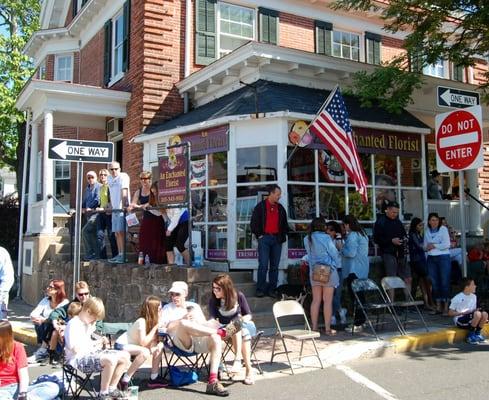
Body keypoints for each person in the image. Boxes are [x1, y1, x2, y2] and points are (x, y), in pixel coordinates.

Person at [159, 281, 242, 396]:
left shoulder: (194, 307)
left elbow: (203, 325)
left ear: (185, 293)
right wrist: (181, 318)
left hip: (198, 340)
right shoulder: (167, 308)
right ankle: (221, 332)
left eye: (177, 294)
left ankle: (213, 382)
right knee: (184, 323)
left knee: (215, 337)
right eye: (172, 294)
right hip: (181, 342)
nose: (174, 297)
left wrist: (204, 323)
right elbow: (164, 328)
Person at [64, 297, 131, 399]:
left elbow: (89, 344)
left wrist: (97, 342)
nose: (94, 321)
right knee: (110, 359)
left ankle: (112, 389)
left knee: (125, 356)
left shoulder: (87, 324)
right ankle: (103, 394)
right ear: (88, 311)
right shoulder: (73, 324)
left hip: (89, 355)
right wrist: (96, 343)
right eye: (94, 318)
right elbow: (75, 349)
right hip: (77, 359)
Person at [208, 274, 257, 385]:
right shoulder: (213, 300)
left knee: (238, 327)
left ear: (226, 288)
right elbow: (212, 319)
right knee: (231, 329)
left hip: (245, 326)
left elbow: (249, 315)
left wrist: (240, 321)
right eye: (213, 287)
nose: (215, 291)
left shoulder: (238, 296)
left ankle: (240, 363)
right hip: (226, 330)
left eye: (218, 289)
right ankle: (242, 364)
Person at [115, 296, 166, 388]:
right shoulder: (141, 321)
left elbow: (155, 341)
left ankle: (154, 378)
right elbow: (143, 343)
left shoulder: (154, 322)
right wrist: (155, 328)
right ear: (153, 310)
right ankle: (125, 380)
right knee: (145, 352)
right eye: (159, 309)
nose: (161, 311)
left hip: (135, 347)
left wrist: (159, 343)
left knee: (159, 347)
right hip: (121, 345)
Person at [0, 320, 60, 400]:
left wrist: (23, 394)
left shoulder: (17, 347)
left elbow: (23, 374)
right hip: (2, 390)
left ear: (5, 336)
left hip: (17, 387)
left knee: (52, 387)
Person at [250, 184, 289, 298]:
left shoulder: (280, 208)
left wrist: (282, 235)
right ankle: (260, 289)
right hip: (265, 239)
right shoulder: (260, 207)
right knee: (263, 265)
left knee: (274, 266)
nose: (279, 197)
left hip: (277, 239)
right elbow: (253, 223)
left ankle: (272, 289)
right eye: (278, 194)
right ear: (271, 193)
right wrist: (259, 235)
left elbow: (285, 225)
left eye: (280, 195)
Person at [303, 217, 340, 335]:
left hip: (314, 271)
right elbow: (334, 253)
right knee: (327, 301)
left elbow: (309, 255)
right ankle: (328, 329)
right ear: (323, 226)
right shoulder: (326, 238)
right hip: (328, 270)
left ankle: (314, 328)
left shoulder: (307, 238)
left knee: (316, 300)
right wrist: (334, 264)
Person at [373, 201, 411, 292]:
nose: (395, 214)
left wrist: (405, 239)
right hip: (388, 253)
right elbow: (376, 239)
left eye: (397, 212)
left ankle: (408, 302)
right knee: (391, 279)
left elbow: (403, 235)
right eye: (394, 212)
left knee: (408, 277)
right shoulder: (380, 222)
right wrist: (391, 240)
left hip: (401, 252)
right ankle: (391, 303)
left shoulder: (398, 221)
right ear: (388, 210)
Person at [28, 280, 69, 364]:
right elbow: (33, 314)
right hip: (47, 329)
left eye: (50, 287)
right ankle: (43, 349)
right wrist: (40, 319)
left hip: (57, 329)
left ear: (57, 290)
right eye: (48, 286)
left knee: (48, 323)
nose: (47, 288)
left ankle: (42, 351)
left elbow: (58, 319)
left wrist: (44, 320)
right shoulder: (46, 300)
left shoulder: (65, 303)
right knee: (39, 323)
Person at [129, 175, 166, 264]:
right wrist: (140, 206)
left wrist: (144, 206)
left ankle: (157, 260)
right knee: (144, 238)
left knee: (156, 240)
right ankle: (145, 259)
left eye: (146, 179)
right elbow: (134, 204)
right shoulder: (139, 191)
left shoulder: (155, 189)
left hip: (157, 218)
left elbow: (156, 204)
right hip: (146, 217)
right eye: (141, 179)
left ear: (150, 179)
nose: (143, 180)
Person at [341, 215, 369, 329]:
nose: (343, 228)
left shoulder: (352, 235)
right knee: (361, 296)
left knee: (356, 297)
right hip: (362, 269)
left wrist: (341, 249)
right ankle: (362, 321)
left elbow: (351, 253)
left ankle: (358, 323)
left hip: (353, 269)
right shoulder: (362, 233)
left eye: (344, 225)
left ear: (348, 224)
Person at [424, 212, 451, 315]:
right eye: (432, 220)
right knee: (434, 282)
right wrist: (427, 248)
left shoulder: (443, 229)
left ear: (438, 221)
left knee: (444, 281)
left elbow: (447, 244)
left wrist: (434, 245)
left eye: (436, 220)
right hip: (431, 258)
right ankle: (438, 305)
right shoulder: (427, 231)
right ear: (429, 221)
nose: (434, 222)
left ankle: (446, 306)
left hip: (443, 257)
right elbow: (426, 246)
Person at [448, 278, 488, 344]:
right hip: (460, 320)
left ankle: (477, 334)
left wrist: (477, 311)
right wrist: (462, 313)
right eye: (473, 284)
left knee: (485, 314)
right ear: (467, 287)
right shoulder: (457, 297)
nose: (475, 286)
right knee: (477, 314)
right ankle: (470, 336)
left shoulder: (474, 296)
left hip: (470, 318)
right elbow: (450, 313)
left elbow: (473, 311)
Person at [408, 217, 434, 310]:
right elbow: (419, 246)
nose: (421, 227)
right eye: (419, 225)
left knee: (420, 282)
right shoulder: (413, 234)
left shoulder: (419, 234)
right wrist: (427, 248)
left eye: (422, 225)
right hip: (417, 260)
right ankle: (429, 302)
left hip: (421, 259)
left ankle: (426, 303)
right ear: (415, 226)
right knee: (426, 280)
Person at [108, 161, 130, 264]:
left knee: (121, 232)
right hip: (114, 209)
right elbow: (111, 194)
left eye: (116, 169)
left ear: (120, 169)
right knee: (116, 233)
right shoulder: (109, 179)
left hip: (121, 209)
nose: (114, 171)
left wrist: (125, 206)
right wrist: (111, 206)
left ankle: (123, 255)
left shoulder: (123, 176)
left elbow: (124, 192)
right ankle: (119, 254)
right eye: (111, 169)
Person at [325, 221, 347, 326]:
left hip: (338, 269)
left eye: (331, 230)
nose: (328, 231)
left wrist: (338, 238)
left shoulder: (339, 240)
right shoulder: (324, 240)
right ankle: (340, 311)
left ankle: (333, 315)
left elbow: (340, 248)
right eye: (327, 229)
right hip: (326, 269)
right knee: (328, 295)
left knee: (336, 294)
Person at [96, 168, 118, 260]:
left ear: (108, 176)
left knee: (111, 235)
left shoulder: (110, 186)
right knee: (99, 235)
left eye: (105, 175)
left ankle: (115, 256)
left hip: (109, 213)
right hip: (101, 213)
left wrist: (104, 208)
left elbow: (112, 201)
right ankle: (103, 257)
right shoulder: (100, 187)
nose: (102, 176)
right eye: (101, 175)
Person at [81, 170, 101, 260]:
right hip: (88, 214)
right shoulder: (87, 189)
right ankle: (95, 255)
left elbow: (98, 199)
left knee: (85, 231)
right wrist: (81, 208)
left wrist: (90, 207)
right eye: (88, 178)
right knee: (92, 234)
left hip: (96, 213)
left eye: (92, 177)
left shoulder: (99, 187)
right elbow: (84, 201)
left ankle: (89, 254)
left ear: (96, 178)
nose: (90, 179)